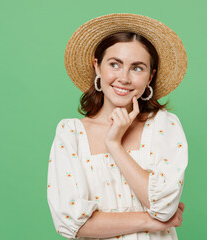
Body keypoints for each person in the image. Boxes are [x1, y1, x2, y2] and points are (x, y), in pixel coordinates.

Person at [47, 13, 188, 240]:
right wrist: (149, 220)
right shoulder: (71, 134)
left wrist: (114, 145)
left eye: (137, 68)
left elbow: (163, 206)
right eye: (114, 64)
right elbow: (73, 224)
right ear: (98, 67)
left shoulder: (164, 126)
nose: (124, 78)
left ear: (150, 77)